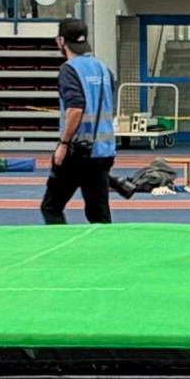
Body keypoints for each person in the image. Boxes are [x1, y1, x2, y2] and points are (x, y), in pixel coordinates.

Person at [40, 18, 116, 224]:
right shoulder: (103, 69)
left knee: (51, 207)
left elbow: (75, 108)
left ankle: (61, 243)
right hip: (103, 151)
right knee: (99, 215)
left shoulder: (69, 69)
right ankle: (104, 245)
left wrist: (63, 144)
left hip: (78, 150)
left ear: (61, 41)